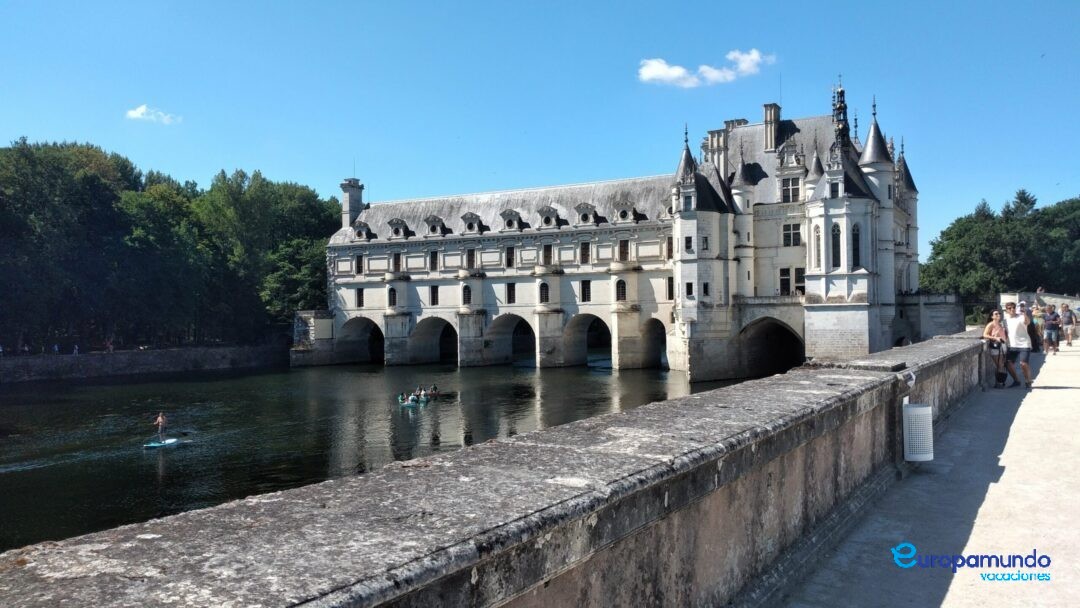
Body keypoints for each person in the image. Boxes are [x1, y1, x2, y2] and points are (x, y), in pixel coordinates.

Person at [1003, 302, 1033, 389]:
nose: (1012, 309)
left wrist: (1025, 314)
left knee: (1023, 363)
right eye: (1009, 308)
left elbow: (1027, 322)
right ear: (1006, 310)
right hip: (1012, 345)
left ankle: (1028, 381)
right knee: (1008, 363)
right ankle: (1016, 380)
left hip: (1024, 344)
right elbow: (1006, 332)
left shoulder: (1021, 317)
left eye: (1013, 307)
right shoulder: (1005, 320)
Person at [982, 309, 1008, 388]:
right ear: (992, 316)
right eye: (996, 314)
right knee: (999, 365)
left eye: (999, 313)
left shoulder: (1000, 324)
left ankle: (999, 382)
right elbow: (985, 335)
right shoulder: (991, 324)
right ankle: (998, 383)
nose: (998, 315)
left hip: (1003, 346)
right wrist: (995, 338)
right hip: (995, 346)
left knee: (1001, 365)